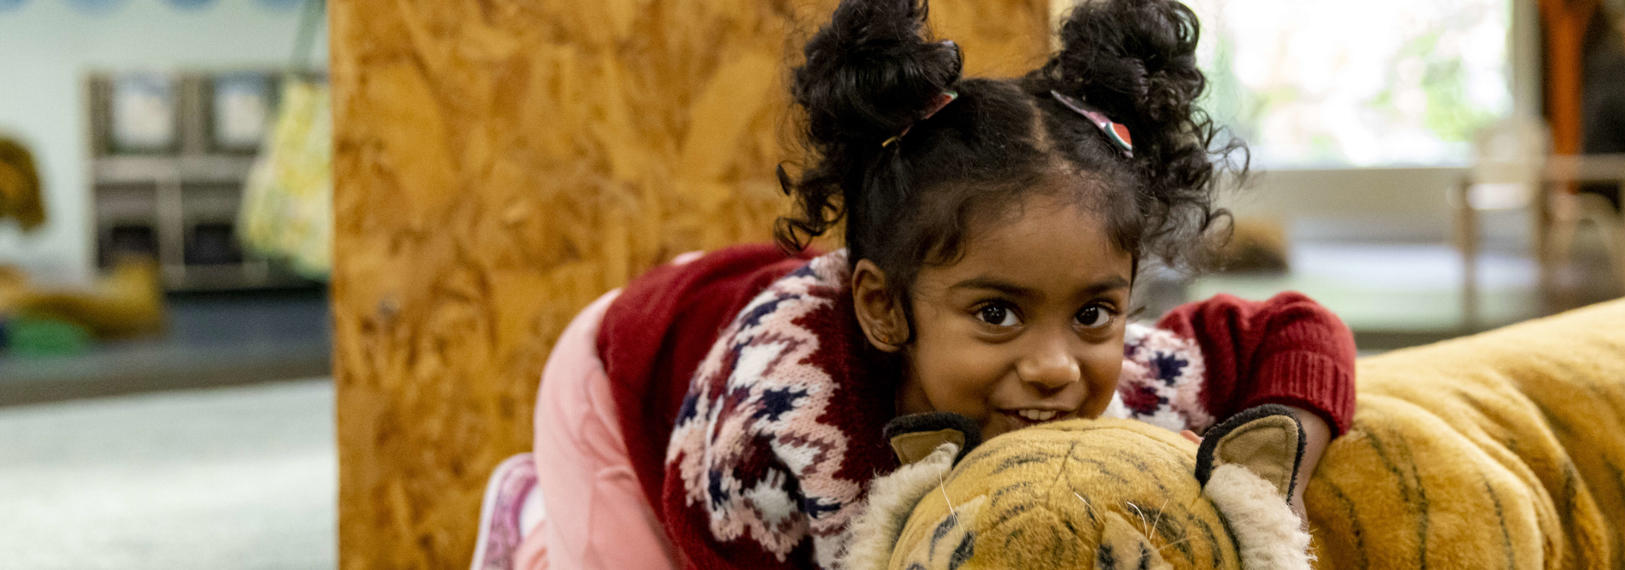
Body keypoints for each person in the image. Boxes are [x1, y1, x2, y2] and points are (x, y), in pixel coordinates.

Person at [479, 0, 1359, 568]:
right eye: (998, 313)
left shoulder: (1134, 379)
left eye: (1094, 310)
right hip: (629, 378)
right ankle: (534, 532)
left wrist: (1262, 486)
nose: (1057, 365)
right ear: (884, 308)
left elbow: (1300, 331)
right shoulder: (781, 432)